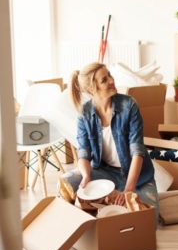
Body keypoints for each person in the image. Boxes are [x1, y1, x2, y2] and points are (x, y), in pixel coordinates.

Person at [62, 62, 159, 219]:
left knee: (147, 220)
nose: (111, 81)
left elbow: (138, 151)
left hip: (138, 176)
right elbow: (83, 153)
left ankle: (111, 200)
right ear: (91, 89)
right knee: (67, 182)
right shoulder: (84, 115)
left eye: (110, 76)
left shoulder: (129, 105)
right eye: (104, 80)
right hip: (106, 172)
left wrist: (129, 189)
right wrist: (86, 175)